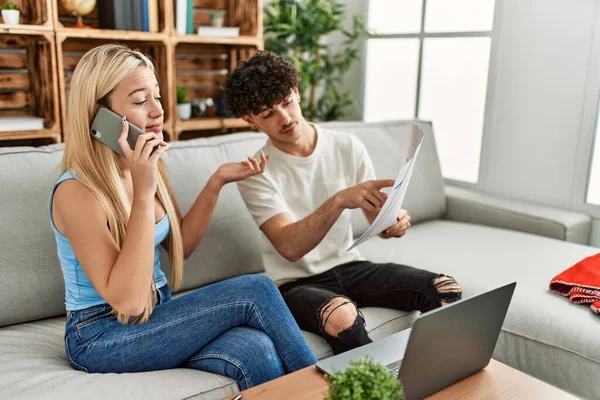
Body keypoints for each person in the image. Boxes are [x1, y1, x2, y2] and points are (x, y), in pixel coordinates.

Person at [48, 44, 316, 389]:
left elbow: (182, 246)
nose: (158, 110)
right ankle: (332, 395)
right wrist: (143, 194)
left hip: (158, 314)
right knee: (256, 289)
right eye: (141, 100)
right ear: (100, 115)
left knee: (257, 350)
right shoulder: (77, 192)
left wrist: (216, 181)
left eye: (157, 96)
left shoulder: (150, 165)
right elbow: (127, 301)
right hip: (100, 334)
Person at [224, 51, 463, 355]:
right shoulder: (255, 172)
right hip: (295, 283)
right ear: (250, 120)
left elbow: (379, 218)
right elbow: (290, 247)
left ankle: (429, 376)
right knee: (341, 315)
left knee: (446, 289)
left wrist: (394, 222)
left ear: (296, 92)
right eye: (268, 113)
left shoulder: (347, 146)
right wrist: (338, 200)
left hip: (350, 267)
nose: (284, 118)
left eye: (286, 102)